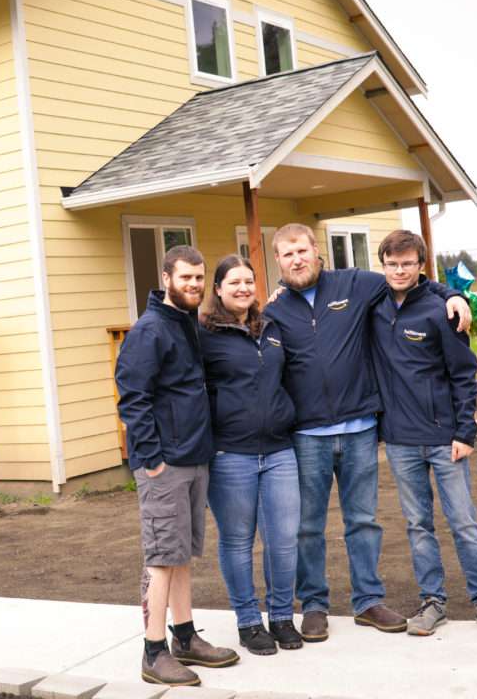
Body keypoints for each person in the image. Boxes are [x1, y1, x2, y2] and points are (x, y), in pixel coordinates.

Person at [263, 222, 471, 642]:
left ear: (316, 250)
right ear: (278, 261)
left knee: (362, 521)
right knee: (308, 526)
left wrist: (453, 294)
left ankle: (368, 601)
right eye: (287, 254)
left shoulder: (354, 283)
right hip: (308, 436)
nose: (297, 259)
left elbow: (407, 281)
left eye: (302, 250)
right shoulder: (275, 310)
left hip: (359, 428)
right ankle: (316, 605)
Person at [370, 229, 477, 636]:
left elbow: (464, 374)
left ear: (421, 266)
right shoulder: (373, 306)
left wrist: (464, 432)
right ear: (382, 265)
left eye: (407, 263)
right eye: (392, 264)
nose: (399, 270)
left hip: (444, 439)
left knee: (463, 521)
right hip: (400, 441)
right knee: (418, 524)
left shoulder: (442, 311)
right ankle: (432, 602)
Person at [115, 245, 240, 687]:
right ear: (166, 277)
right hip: (164, 464)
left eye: (199, 278)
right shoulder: (149, 330)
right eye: (185, 277)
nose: (193, 284)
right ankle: (153, 652)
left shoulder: (188, 324)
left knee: (182, 555)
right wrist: (151, 460)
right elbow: (133, 397)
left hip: (195, 457)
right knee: (161, 559)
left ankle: (185, 637)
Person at [199, 255, 302, 655]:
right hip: (230, 454)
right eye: (233, 282)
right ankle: (247, 622)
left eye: (248, 281)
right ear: (219, 289)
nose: (242, 288)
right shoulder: (204, 333)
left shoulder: (270, 328)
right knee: (238, 541)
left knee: (283, 539)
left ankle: (280, 616)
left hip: (279, 450)